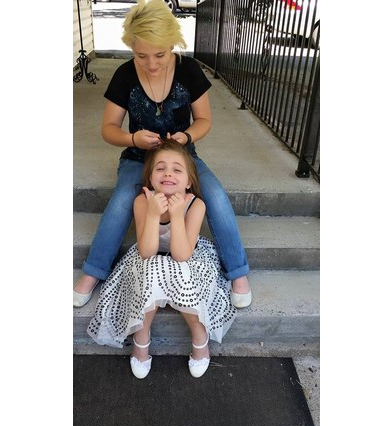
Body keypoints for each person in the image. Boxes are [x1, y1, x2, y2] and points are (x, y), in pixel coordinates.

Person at [73, 0, 252, 310]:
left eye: (160, 54)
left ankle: (238, 272)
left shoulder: (189, 70)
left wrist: (187, 136)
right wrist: (133, 138)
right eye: (141, 55)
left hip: (181, 157)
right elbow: (108, 129)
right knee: (122, 199)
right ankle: (93, 271)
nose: (152, 64)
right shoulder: (124, 75)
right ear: (131, 47)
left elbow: (204, 120)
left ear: (172, 44)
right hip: (138, 157)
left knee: (215, 194)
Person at [87, 139, 237, 379]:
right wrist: (154, 214)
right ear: (150, 178)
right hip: (149, 257)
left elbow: (182, 255)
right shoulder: (141, 201)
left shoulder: (196, 204)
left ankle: (199, 334)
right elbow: (146, 251)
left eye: (177, 169)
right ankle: (141, 335)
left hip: (189, 258)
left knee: (183, 271)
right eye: (160, 168)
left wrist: (176, 216)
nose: (168, 173)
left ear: (188, 181)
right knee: (150, 268)